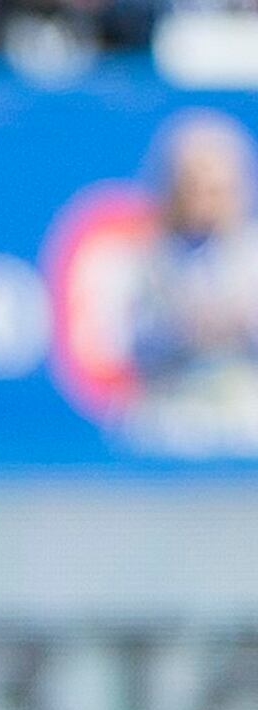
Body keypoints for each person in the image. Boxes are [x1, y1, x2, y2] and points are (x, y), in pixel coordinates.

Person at [126, 110, 258, 456]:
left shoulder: (252, 255)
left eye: (217, 190)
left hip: (245, 406)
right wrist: (182, 329)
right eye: (192, 188)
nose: (205, 201)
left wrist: (239, 323)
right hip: (174, 404)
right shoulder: (152, 258)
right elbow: (136, 345)